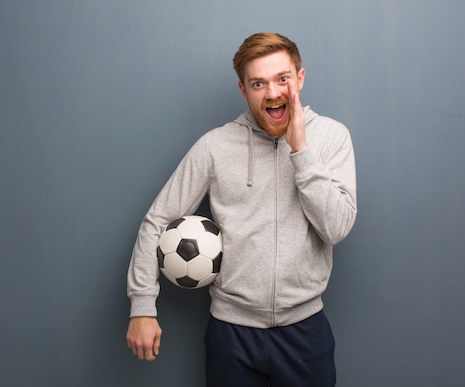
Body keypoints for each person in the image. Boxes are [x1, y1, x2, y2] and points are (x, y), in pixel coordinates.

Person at [126, 32, 357, 387]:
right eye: (258, 83)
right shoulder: (215, 146)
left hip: (306, 333)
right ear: (243, 90)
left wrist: (302, 151)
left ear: (300, 78)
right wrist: (142, 305)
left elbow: (337, 228)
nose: (273, 92)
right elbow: (157, 219)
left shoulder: (332, 137)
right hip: (231, 334)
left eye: (282, 79)